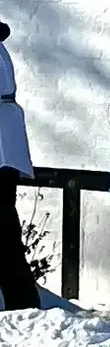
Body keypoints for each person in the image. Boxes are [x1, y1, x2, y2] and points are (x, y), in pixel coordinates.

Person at [0, 21, 40, 311]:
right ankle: (23, 305)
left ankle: (23, 307)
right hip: (6, 151)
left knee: (5, 236)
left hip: (2, 152)